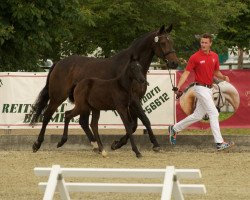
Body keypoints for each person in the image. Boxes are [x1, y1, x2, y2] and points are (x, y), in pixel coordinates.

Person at [169, 33, 234, 151]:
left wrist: (224, 77)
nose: (203, 44)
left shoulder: (214, 56)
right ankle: (219, 143)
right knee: (214, 113)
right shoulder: (195, 57)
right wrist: (178, 86)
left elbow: (216, 72)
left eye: (205, 42)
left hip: (209, 89)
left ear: (210, 43)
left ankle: (174, 128)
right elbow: (186, 73)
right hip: (199, 88)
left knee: (197, 115)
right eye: (202, 42)